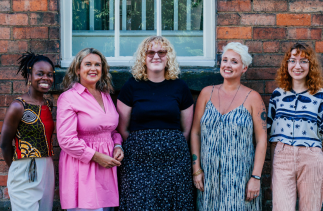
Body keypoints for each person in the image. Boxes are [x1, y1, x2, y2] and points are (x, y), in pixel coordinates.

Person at [117, 36, 194, 210]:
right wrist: (143, 144)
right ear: (143, 57)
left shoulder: (180, 87)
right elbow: (123, 129)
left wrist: (168, 145)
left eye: (161, 52)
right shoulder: (131, 86)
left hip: (174, 161)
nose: (156, 56)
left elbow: (186, 130)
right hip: (138, 162)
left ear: (169, 57)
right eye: (150, 52)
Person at [190, 42, 267, 210]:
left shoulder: (253, 98)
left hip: (240, 178)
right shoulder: (206, 93)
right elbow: (195, 133)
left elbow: (261, 140)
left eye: (234, 61)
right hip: (208, 178)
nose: (227, 65)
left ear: (244, 68)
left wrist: (256, 177)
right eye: (225, 60)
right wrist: (197, 169)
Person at [56, 48, 124, 211]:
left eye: (97, 65)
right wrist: (96, 156)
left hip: (106, 168)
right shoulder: (69, 98)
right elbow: (66, 140)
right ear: (78, 69)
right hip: (82, 167)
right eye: (88, 64)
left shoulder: (106, 95)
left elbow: (111, 131)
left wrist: (117, 145)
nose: (93, 68)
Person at [268, 43, 323, 211]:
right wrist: (272, 168)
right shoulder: (277, 95)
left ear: (310, 65)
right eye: (293, 60)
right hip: (282, 157)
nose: (297, 66)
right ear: (287, 65)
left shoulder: (320, 97)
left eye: (304, 61)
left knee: (311, 208)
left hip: (311, 156)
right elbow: (272, 136)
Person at [0, 52, 55, 211]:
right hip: (25, 167)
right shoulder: (19, 106)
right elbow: (4, 144)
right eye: (40, 74)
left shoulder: (48, 104)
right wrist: (18, 168)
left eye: (49, 75)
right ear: (29, 76)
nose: (45, 78)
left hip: (47, 166)